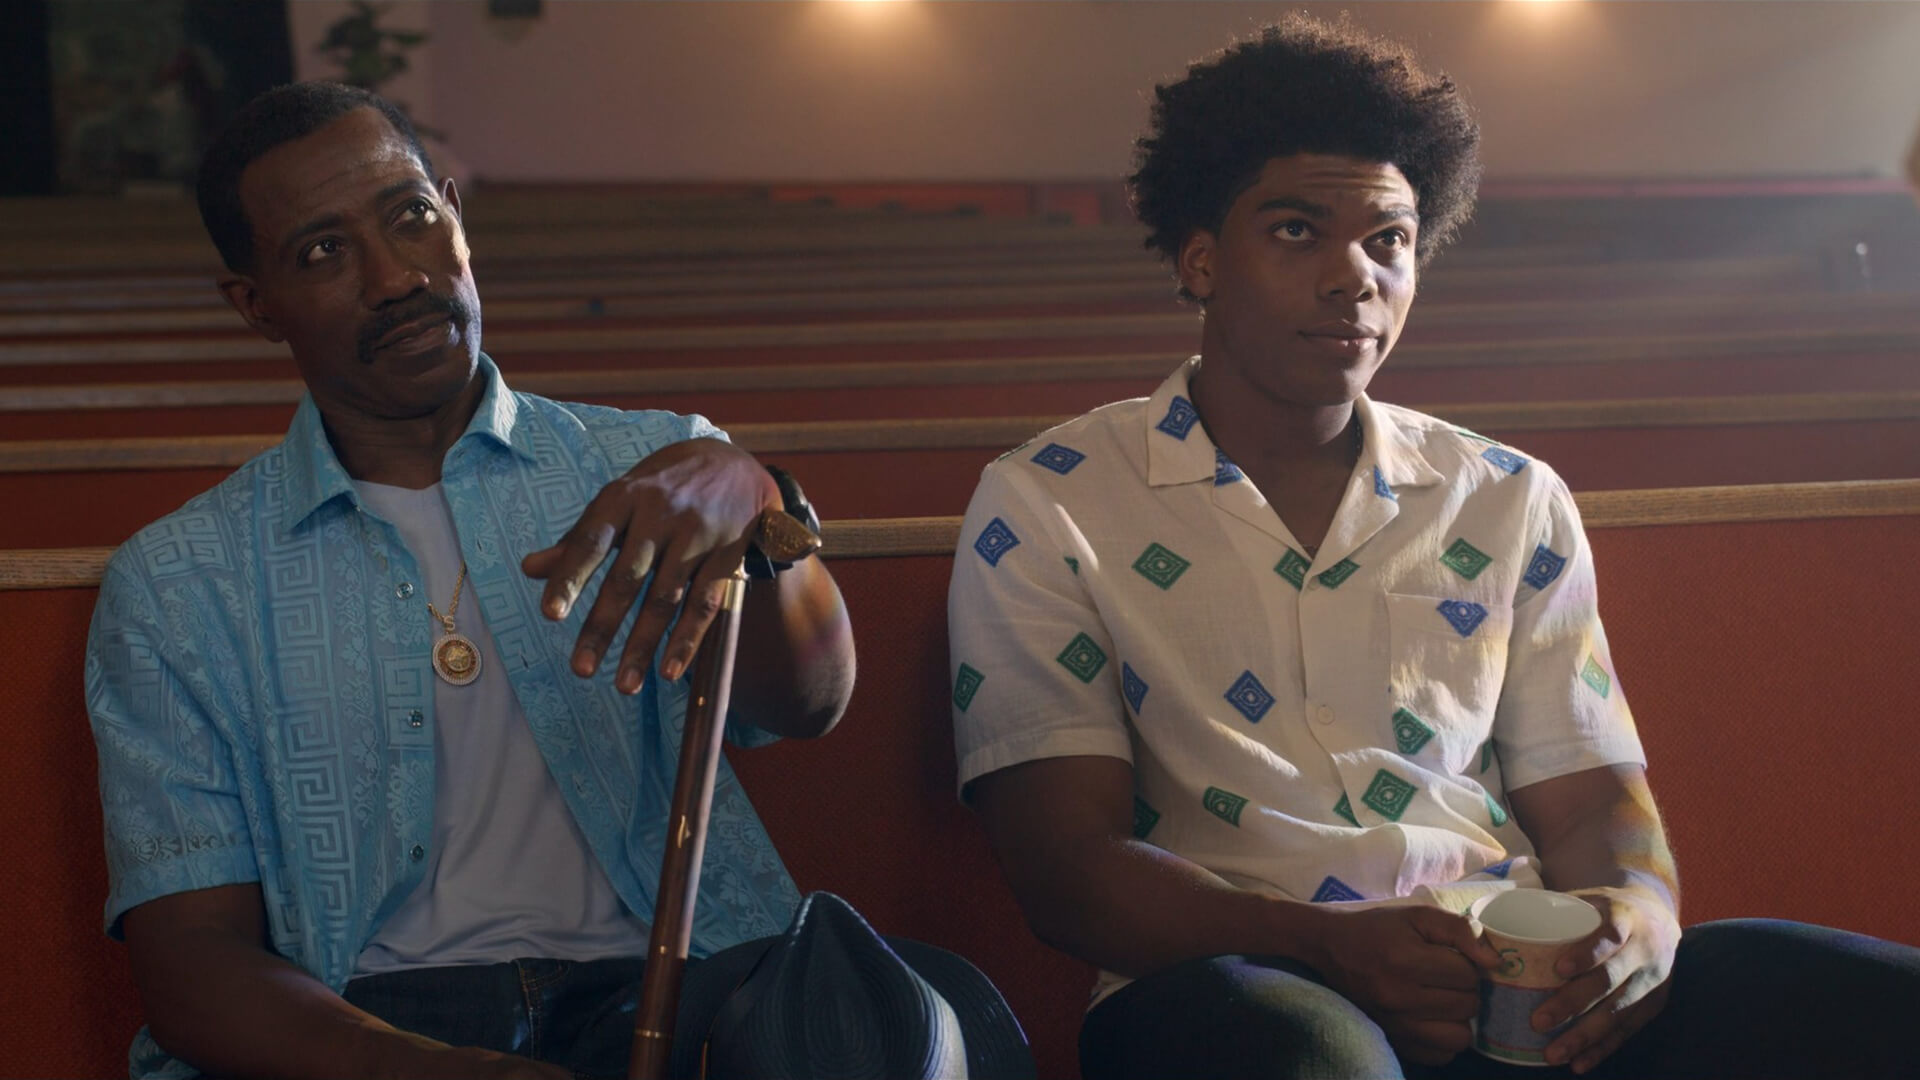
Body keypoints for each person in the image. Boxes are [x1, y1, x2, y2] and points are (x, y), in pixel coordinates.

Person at [945, 16, 1920, 1080]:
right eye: (1296, 230)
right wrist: (1325, 946)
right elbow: (1065, 868)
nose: (1354, 277)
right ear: (1201, 259)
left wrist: (1639, 914)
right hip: (1234, 982)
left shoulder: (1506, 495)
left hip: (1504, 977)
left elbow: (1592, 795)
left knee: (1864, 1003)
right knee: (1315, 1053)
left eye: (1389, 241)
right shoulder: (1050, 499)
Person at [86, 82, 857, 1080]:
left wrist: (759, 500)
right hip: (365, 1024)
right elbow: (192, 962)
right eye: (322, 252)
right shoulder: (181, 582)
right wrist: (420, 1069)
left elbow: (812, 703)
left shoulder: (655, 466)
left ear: (454, 214)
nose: (396, 276)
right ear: (255, 305)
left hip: (674, 992)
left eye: (412, 216)